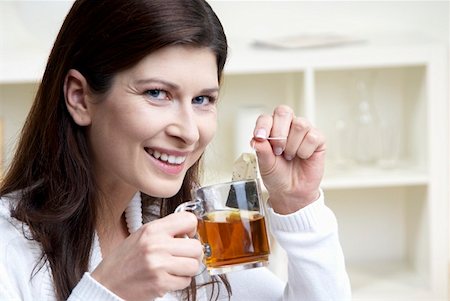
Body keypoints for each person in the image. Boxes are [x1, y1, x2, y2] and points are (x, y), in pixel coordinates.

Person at [0, 0, 351, 300]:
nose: (188, 132)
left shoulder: (191, 230)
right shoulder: (8, 249)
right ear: (80, 97)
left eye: (202, 99)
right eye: (157, 93)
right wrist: (108, 290)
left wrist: (298, 206)